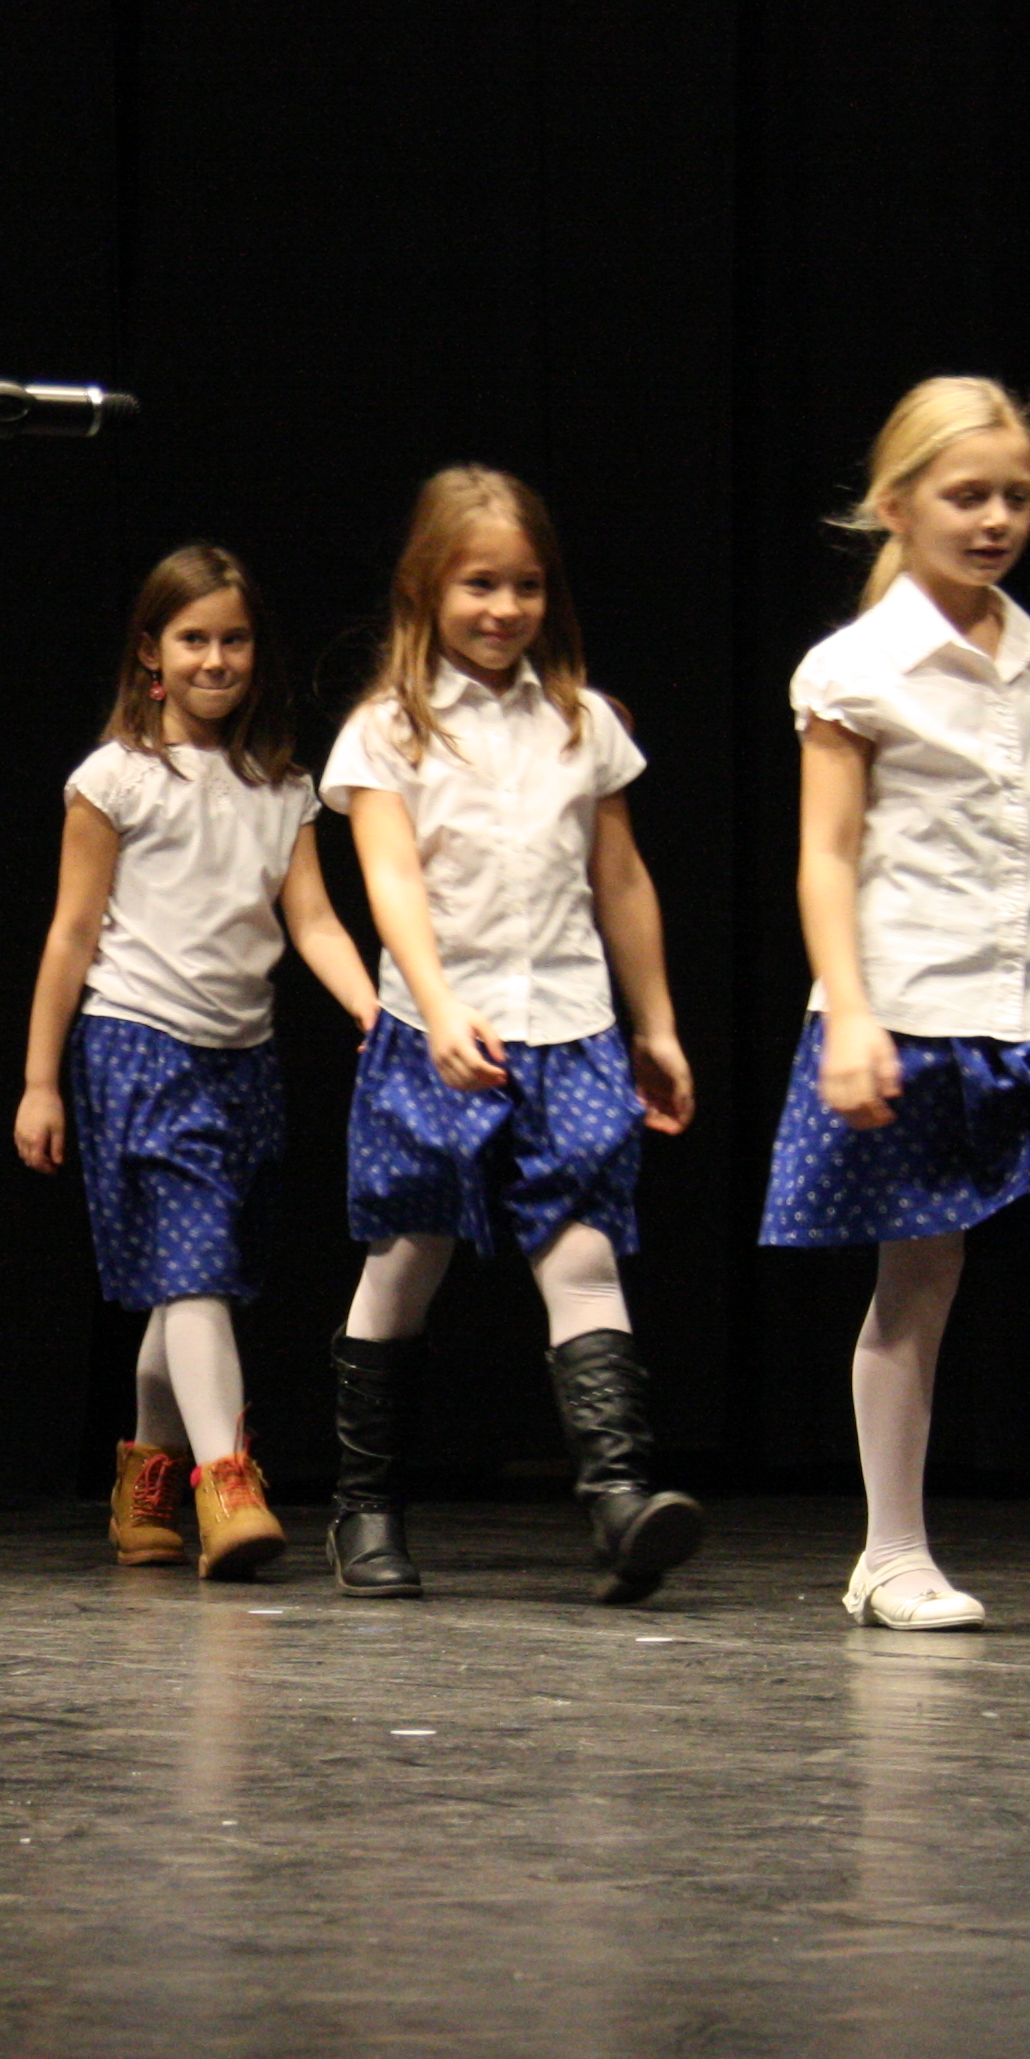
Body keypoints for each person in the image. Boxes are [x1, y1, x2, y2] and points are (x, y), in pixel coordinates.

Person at [759, 379, 1030, 1630]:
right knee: (921, 1273)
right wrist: (851, 1013)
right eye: (967, 496)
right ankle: (891, 1552)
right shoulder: (856, 670)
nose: (996, 518)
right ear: (898, 506)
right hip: (916, 1000)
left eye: (1017, 496)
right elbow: (827, 855)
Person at [320, 467, 701, 1604]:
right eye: (479, 584)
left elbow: (620, 879)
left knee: (582, 1254)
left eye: (525, 586)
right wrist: (438, 1004)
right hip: (439, 1027)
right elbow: (392, 878)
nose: (504, 608)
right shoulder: (387, 732)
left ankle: (621, 1500)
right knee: (408, 1258)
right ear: (427, 589)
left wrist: (658, 1025)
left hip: (570, 1029)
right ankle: (364, 1509)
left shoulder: (582, 724)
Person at [17, 546, 376, 1574]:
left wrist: (372, 1009)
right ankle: (228, 1484)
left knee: (190, 1285)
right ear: (152, 653)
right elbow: (71, 933)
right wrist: (40, 1081)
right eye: (193, 640)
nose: (215, 660)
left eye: (234, 640)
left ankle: (145, 1479)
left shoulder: (282, 788)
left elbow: (312, 920)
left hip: (241, 1062)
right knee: (195, 1274)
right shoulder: (116, 780)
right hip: (136, 1048)